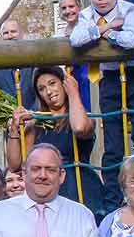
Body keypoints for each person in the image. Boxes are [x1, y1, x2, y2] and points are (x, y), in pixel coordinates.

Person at [70, 0, 134, 207]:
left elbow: (131, 40)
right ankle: (114, 198)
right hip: (111, 76)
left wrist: (107, 36)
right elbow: (76, 39)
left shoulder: (130, 10)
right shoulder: (86, 15)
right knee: (113, 140)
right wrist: (107, 27)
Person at [13, 65, 93, 204]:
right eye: (42, 89)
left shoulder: (85, 116)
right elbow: (16, 165)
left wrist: (73, 93)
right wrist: (14, 128)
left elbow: (80, 128)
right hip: (46, 187)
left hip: (80, 187)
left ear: (63, 84)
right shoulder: (36, 123)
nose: (48, 92)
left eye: (52, 83)